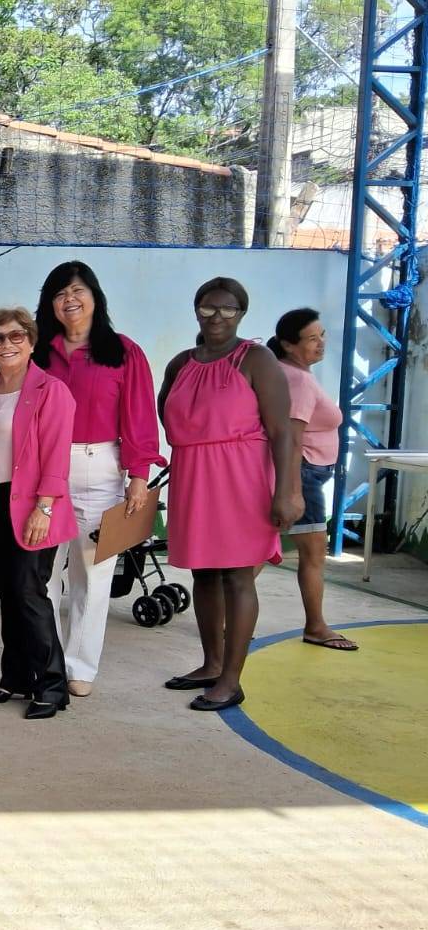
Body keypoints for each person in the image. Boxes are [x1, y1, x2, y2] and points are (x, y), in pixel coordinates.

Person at [158, 279, 301, 711]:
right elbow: (167, 415)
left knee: (238, 575)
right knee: (203, 572)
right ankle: (211, 664)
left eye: (228, 309)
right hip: (193, 473)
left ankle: (232, 681)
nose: (217, 317)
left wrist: (288, 492)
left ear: (241, 313)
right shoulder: (181, 362)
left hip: (241, 476)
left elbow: (283, 431)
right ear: (195, 310)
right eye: (208, 308)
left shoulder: (256, 359)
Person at [32, 262, 164, 697]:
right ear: (49, 304)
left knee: (94, 570)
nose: (69, 300)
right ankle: (45, 661)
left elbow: (141, 418)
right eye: (59, 293)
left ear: (94, 296)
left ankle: (80, 668)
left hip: (102, 467)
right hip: (45, 469)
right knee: (42, 574)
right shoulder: (37, 353)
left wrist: (138, 477)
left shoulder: (123, 351)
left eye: (78, 290)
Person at [0, 308, 76, 721]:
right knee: (9, 594)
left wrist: (44, 507)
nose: (7, 344)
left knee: (29, 594)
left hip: (32, 505)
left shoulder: (50, 390)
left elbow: (57, 456)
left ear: (32, 340)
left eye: (15, 336)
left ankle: (53, 686)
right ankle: (16, 677)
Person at [271, 307, 354, 651]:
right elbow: (292, 435)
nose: (320, 344)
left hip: (303, 474)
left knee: (264, 548)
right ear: (289, 345)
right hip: (303, 474)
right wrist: (292, 491)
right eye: (311, 338)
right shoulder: (300, 380)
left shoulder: (285, 370)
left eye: (322, 335)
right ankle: (316, 626)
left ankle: (229, 619)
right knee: (313, 556)